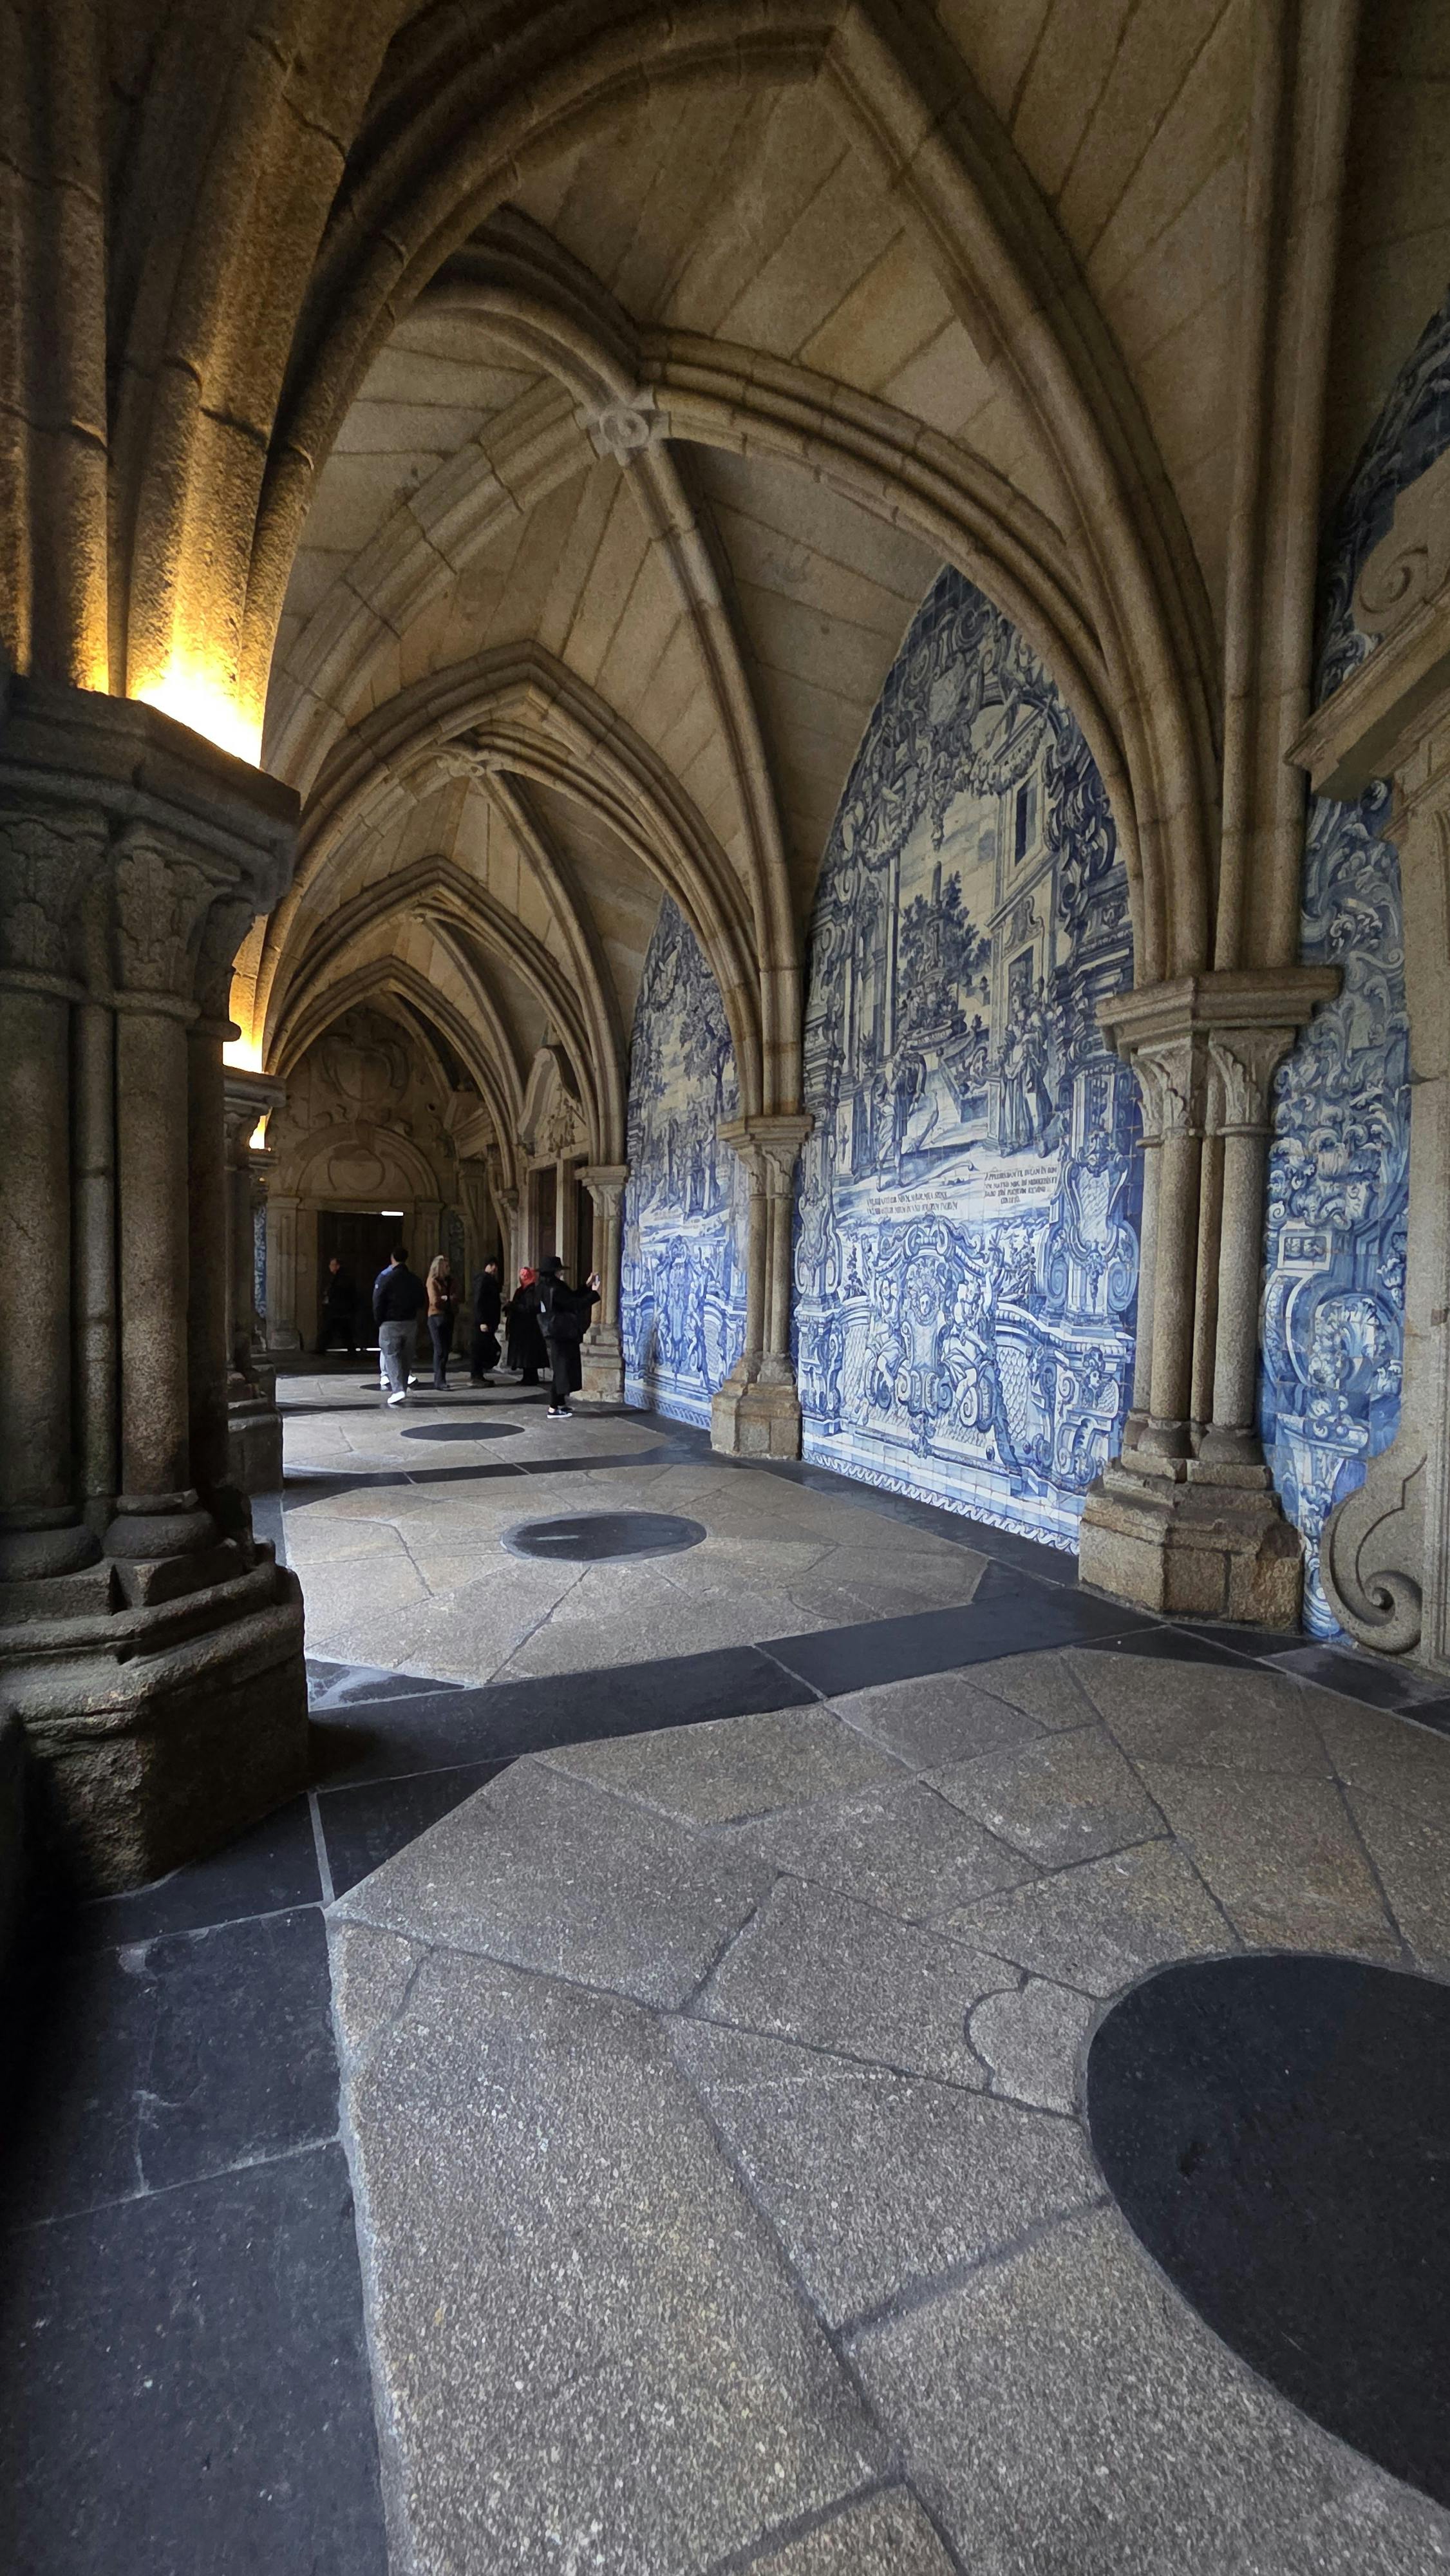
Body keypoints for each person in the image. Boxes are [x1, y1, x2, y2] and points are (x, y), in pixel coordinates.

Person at [536, 1253, 601, 1419]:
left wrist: (586, 1286)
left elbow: (570, 1297)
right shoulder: (556, 1288)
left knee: (561, 1367)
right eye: (559, 1270)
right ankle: (553, 1408)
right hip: (562, 1332)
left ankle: (559, 1403)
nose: (561, 1273)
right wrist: (594, 1294)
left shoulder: (544, 1287)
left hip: (555, 1331)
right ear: (554, 1272)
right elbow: (575, 1304)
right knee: (562, 1368)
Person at [373, 1245, 426, 1405]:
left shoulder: (386, 1278)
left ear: (392, 1258)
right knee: (406, 1357)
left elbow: (378, 1301)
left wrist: (380, 1321)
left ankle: (397, 1390)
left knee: (391, 1355)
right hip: (410, 1322)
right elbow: (422, 1300)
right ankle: (402, 1387)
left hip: (390, 1323)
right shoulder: (414, 1279)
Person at [505, 1266, 547, 1385]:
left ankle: (531, 1378)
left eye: (524, 1276)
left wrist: (514, 1306)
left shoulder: (532, 1291)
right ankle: (527, 1377)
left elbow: (529, 1308)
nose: (522, 1278)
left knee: (529, 1355)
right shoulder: (522, 1290)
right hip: (522, 1327)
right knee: (525, 1354)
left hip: (529, 1328)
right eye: (521, 1276)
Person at [425, 1253, 457, 1389]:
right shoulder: (433, 1281)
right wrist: (447, 1299)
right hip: (436, 1317)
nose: (449, 1269)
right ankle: (439, 1380)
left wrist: (446, 1298)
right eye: (446, 1266)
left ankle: (442, 1378)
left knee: (446, 1350)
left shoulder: (451, 1281)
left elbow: (456, 1297)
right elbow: (435, 1301)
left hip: (448, 1316)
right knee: (439, 1350)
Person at [317, 1255, 359, 1356]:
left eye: (332, 1265)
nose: (330, 1267)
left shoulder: (341, 1279)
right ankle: (351, 1351)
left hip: (339, 1310)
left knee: (332, 1330)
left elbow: (339, 1292)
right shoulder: (338, 1278)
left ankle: (321, 1349)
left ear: (338, 1266)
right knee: (342, 1331)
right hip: (339, 1310)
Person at [470, 1258, 502, 1385]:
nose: (495, 1269)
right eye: (493, 1266)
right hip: (483, 1322)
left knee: (483, 1348)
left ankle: (479, 1375)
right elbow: (479, 1301)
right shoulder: (483, 1279)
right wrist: (482, 1321)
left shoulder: (489, 1280)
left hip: (488, 1321)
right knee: (480, 1349)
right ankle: (476, 1376)